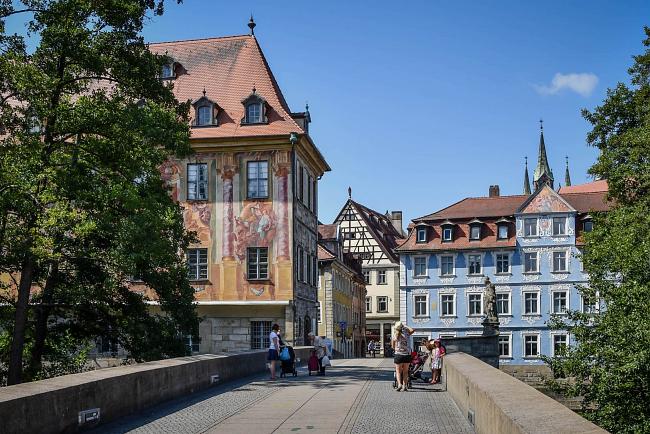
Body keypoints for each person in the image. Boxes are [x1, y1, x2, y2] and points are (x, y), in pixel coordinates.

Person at [391, 321, 415, 392]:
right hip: (407, 355)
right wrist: (405, 326)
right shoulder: (407, 334)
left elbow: (392, 346)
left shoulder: (395, 335)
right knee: (405, 372)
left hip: (398, 355)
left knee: (398, 371)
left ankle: (399, 385)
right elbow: (412, 330)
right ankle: (404, 386)